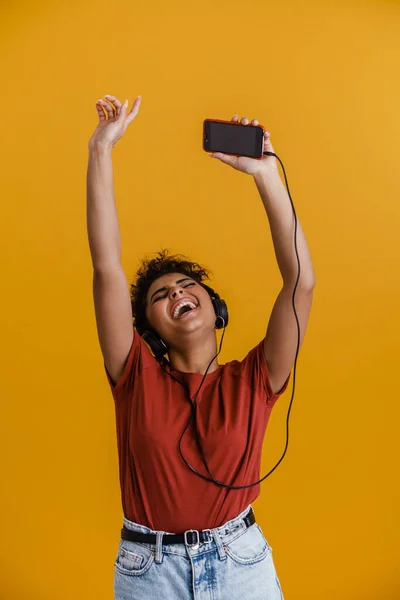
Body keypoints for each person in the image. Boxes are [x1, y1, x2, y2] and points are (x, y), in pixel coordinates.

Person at [86, 93, 316, 600]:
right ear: (146, 329)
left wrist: (266, 175)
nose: (177, 294)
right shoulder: (135, 377)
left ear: (216, 309)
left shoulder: (254, 380)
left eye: (188, 287)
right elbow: (107, 266)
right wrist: (101, 149)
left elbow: (299, 284)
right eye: (160, 296)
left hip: (241, 563)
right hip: (150, 571)